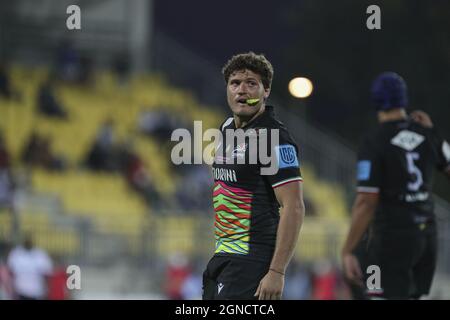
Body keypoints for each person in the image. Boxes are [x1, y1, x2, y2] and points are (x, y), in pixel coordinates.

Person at [202, 52, 305, 300]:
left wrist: (276, 271)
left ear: (266, 91)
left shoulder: (274, 138)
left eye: (251, 83)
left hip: (252, 262)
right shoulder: (227, 129)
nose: (242, 90)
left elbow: (294, 206)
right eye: (235, 83)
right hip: (223, 257)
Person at [341, 72, 450, 299]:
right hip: (426, 236)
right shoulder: (427, 133)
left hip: (390, 239)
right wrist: (434, 134)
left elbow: (366, 202)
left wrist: (347, 249)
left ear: (376, 102)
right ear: (404, 99)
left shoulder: (374, 141)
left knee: (374, 294)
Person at [7, 235, 53, 300]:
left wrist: (47, 291)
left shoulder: (40, 255)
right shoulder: (16, 254)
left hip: (37, 292)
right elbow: (10, 275)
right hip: (20, 291)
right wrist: (11, 290)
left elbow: (46, 276)